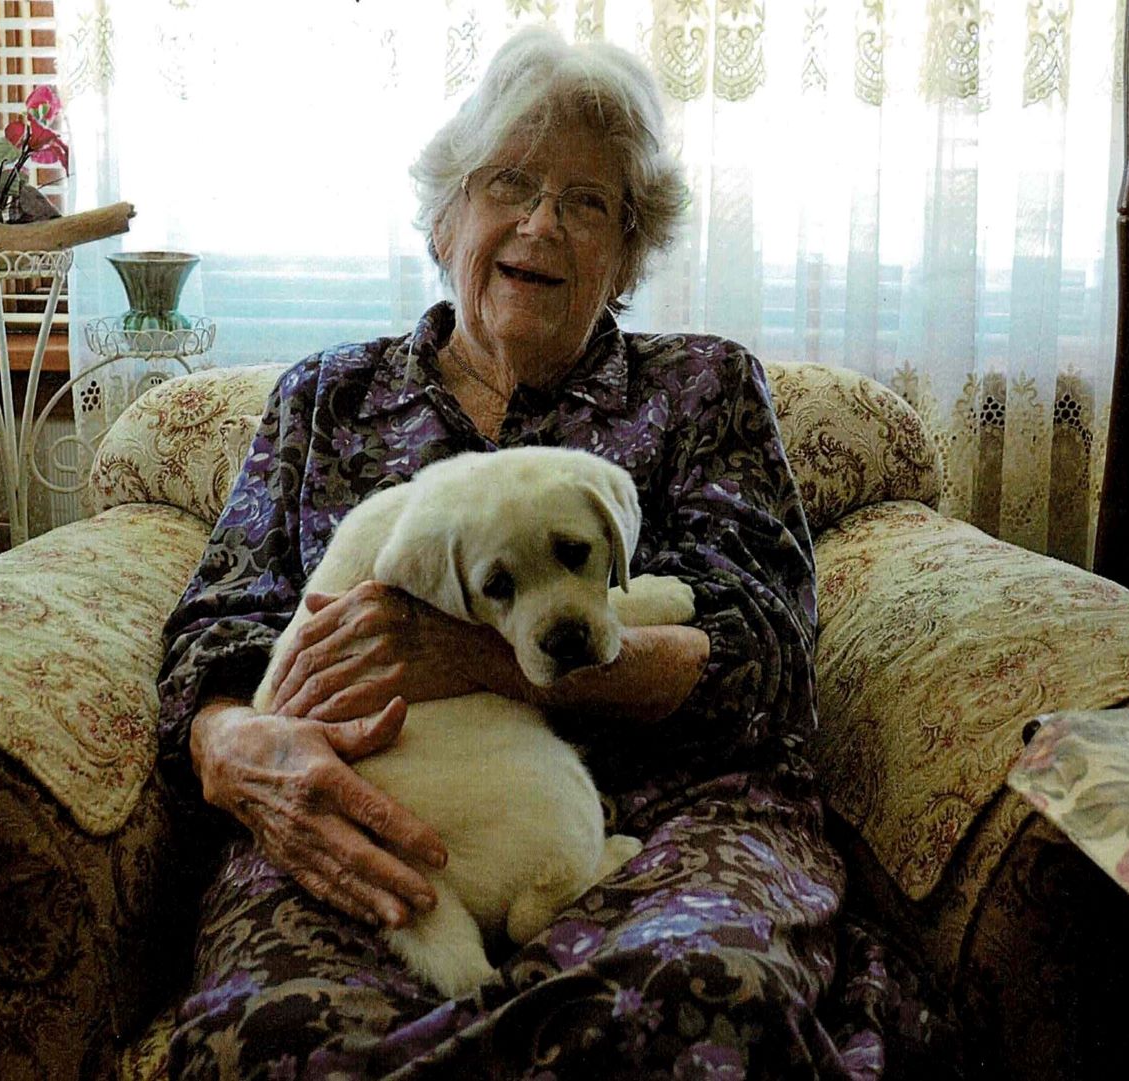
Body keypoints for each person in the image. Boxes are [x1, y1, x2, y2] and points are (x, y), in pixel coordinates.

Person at [157, 27, 932, 1079]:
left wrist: (477, 656)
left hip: (665, 820)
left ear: (627, 249)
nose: (541, 223)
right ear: (444, 217)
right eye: (508, 184)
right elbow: (216, 628)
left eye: (587, 201)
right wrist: (238, 750)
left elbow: (767, 658)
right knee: (273, 1039)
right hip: (370, 807)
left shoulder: (700, 390)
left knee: (693, 1004)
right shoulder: (328, 400)